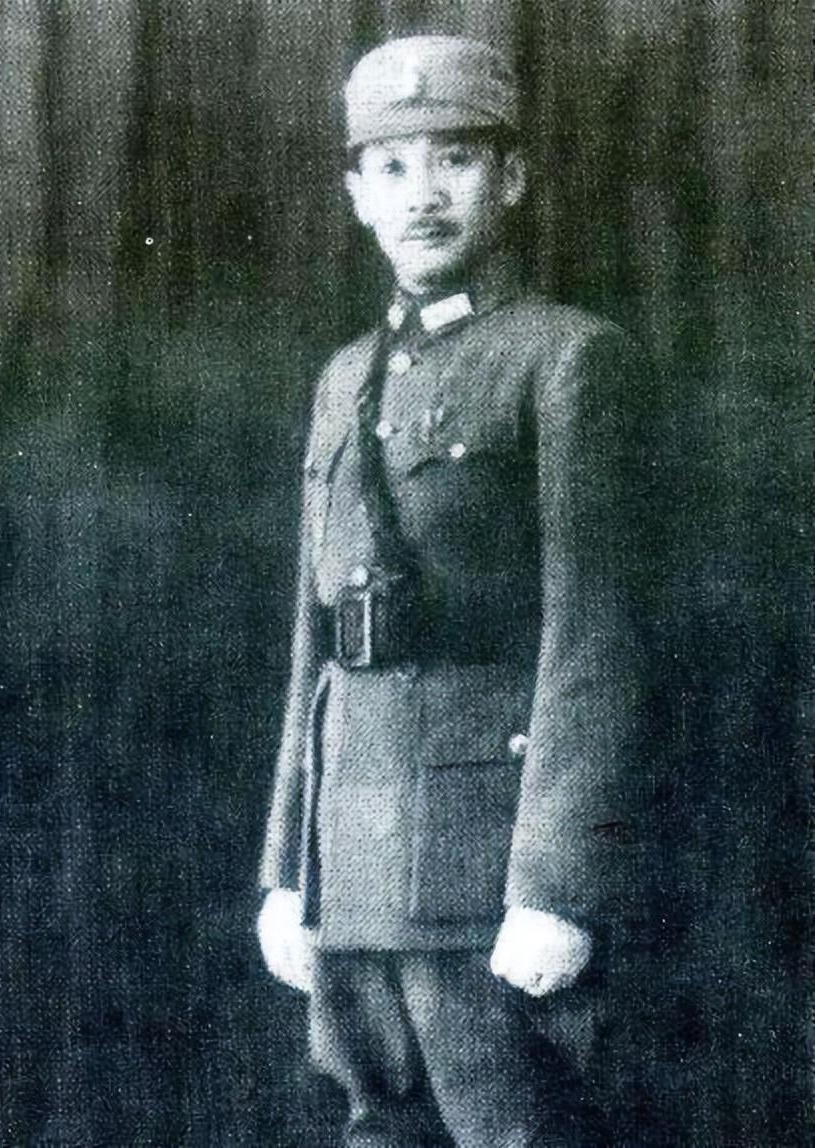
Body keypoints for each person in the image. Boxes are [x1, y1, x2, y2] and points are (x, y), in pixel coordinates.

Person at [257, 34, 659, 1148]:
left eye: (456, 160)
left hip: (487, 857)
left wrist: (556, 885)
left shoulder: (567, 360)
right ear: (355, 194)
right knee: (377, 1130)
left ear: (511, 178)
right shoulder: (345, 377)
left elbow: (597, 640)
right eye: (390, 166)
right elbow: (313, 644)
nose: (421, 195)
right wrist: (289, 870)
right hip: (351, 851)